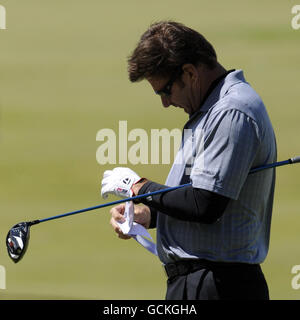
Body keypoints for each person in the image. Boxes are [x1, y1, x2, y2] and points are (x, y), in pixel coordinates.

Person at [100, 21, 277, 300]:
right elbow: (203, 195)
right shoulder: (211, 111)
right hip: (204, 282)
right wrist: (150, 214)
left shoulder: (231, 112)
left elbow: (205, 204)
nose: (165, 103)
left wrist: (139, 187)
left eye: (164, 91)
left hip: (220, 285)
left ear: (190, 73)